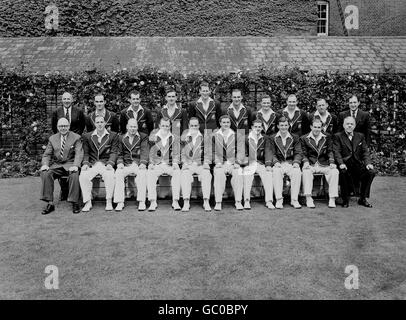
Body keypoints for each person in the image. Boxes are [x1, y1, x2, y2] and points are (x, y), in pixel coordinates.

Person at [40, 118, 83, 214]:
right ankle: (50, 203)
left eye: (65, 126)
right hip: (57, 165)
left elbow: (78, 153)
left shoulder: (76, 137)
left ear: (69, 126)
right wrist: (45, 165)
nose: (63, 128)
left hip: (71, 164)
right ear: (57, 127)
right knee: (46, 173)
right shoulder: (52, 138)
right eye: (61, 126)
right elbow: (47, 154)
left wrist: (76, 165)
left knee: (74, 174)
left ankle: (74, 202)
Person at [333, 116, 376, 208]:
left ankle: (363, 198)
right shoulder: (338, 136)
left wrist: (368, 163)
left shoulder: (360, 136)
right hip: (345, 164)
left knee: (370, 172)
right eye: (347, 124)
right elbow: (336, 152)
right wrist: (341, 163)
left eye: (351, 124)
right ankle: (345, 199)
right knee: (343, 173)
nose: (349, 126)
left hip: (357, 164)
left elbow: (365, 151)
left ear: (355, 125)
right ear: (344, 125)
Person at [80, 116, 119, 212]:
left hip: (105, 163)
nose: (100, 124)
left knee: (110, 175)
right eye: (98, 122)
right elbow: (86, 153)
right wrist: (85, 163)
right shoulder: (87, 136)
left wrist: (110, 163)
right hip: (92, 163)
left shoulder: (113, 135)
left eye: (102, 122)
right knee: (83, 176)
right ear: (94, 123)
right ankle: (87, 202)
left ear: (105, 123)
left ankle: (109, 201)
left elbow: (114, 152)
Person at [301, 118, 339, 208]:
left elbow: (330, 151)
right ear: (311, 127)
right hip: (311, 163)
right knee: (306, 172)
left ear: (322, 128)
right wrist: (305, 162)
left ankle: (332, 198)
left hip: (324, 163)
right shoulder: (304, 138)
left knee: (334, 172)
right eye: (315, 127)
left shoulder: (327, 137)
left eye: (319, 127)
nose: (317, 129)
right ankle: (308, 198)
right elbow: (303, 153)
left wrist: (332, 162)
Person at [113, 118, 149, 212]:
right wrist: (120, 162)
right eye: (131, 126)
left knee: (142, 174)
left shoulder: (143, 136)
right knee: (118, 173)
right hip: (126, 164)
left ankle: (142, 201)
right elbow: (119, 153)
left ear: (137, 127)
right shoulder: (121, 137)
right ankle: (120, 202)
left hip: (138, 164)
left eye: (134, 126)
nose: (133, 128)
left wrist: (143, 162)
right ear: (127, 127)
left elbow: (145, 151)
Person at [147, 117, 181, 211]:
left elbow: (176, 152)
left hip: (169, 164)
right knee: (150, 173)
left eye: (167, 125)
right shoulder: (153, 136)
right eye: (163, 125)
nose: (165, 127)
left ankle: (175, 201)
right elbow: (150, 151)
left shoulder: (174, 137)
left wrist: (175, 162)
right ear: (159, 126)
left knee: (177, 172)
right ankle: (152, 202)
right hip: (157, 164)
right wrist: (151, 163)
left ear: (170, 126)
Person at [268, 116, 302, 209]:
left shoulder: (294, 137)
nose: (284, 127)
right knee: (276, 172)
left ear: (288, 126)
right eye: (281, 125)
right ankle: (279, 199)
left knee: (297, 172)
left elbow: (298, 152)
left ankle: (294, 200)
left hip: (291, 162)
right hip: (279, 163)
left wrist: (296, 162)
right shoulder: (273, 137)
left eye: (286, 125)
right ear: (278, 126)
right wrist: (275, 162)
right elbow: (271, 152)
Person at [212, 115, 245, 211]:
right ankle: (218, 202)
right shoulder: (214, 136)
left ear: (230, 124)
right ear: (220, 123)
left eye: (227, 122)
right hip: (220, 163)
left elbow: (241, 151)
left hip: (232, 163)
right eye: (224, 122)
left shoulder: (237, 135)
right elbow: (211, 151)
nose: (226, 124)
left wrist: (237, 162)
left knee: (238, 173)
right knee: (218, 174)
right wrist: (217, 162)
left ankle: (238, 201)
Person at [180, 117, 212, 212]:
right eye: (192, 125)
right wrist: (184, 163)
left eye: (196, 125)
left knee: (206, 174)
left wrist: (206, 163)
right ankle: (186, 201)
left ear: (199, 126)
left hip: (200, 164)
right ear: (189, 126)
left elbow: (208, 153)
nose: (194, 127)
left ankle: (206, 201)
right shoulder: (184, 138)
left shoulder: (204, 137)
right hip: (188, 164)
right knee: (185, 174)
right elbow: (181, 153)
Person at [243, 119, 274, 210]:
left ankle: (269, 201)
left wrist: (268, 164)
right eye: (255, 126)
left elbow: (268, 152)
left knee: (268, 174)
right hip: (249, 163)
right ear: (252, 127)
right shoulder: (245, 138)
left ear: (262, 128)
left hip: (260, 163)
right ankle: (246, 200)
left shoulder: (265, 138)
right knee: (248, 175)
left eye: (259, 126)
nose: (257, 128)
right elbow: (243, 154)